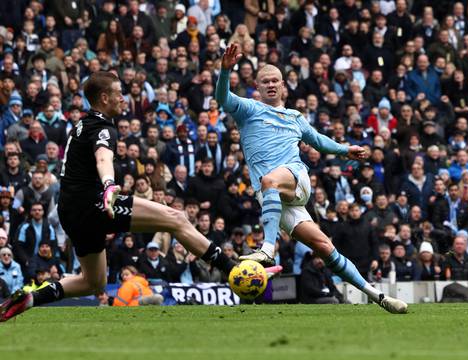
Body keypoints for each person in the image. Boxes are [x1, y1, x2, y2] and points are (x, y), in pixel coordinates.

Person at [0, 71, 268, 322]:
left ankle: (32, 298)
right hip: (95, 204)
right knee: (175, 218)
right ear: (104, 98)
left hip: (71, 213)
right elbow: (103, 156)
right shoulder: (104, 128)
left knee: (93, 283)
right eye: (118, 93)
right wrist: (108, 185)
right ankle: (233, 268)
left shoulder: (81, 125)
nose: (123, 98)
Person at [215, 44, 407, 313]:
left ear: (283, 86)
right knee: (325, 247)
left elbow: (318, 141)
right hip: (274, 200)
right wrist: (225, 71)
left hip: (295, 179)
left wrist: (344, 150)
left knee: (269, 180)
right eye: (265, 82)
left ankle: (268, 247)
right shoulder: (248, 110)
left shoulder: (295, 117)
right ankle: (377, 296)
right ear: (257, 87)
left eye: (275, 81)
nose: (270, 85)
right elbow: (223, 99)